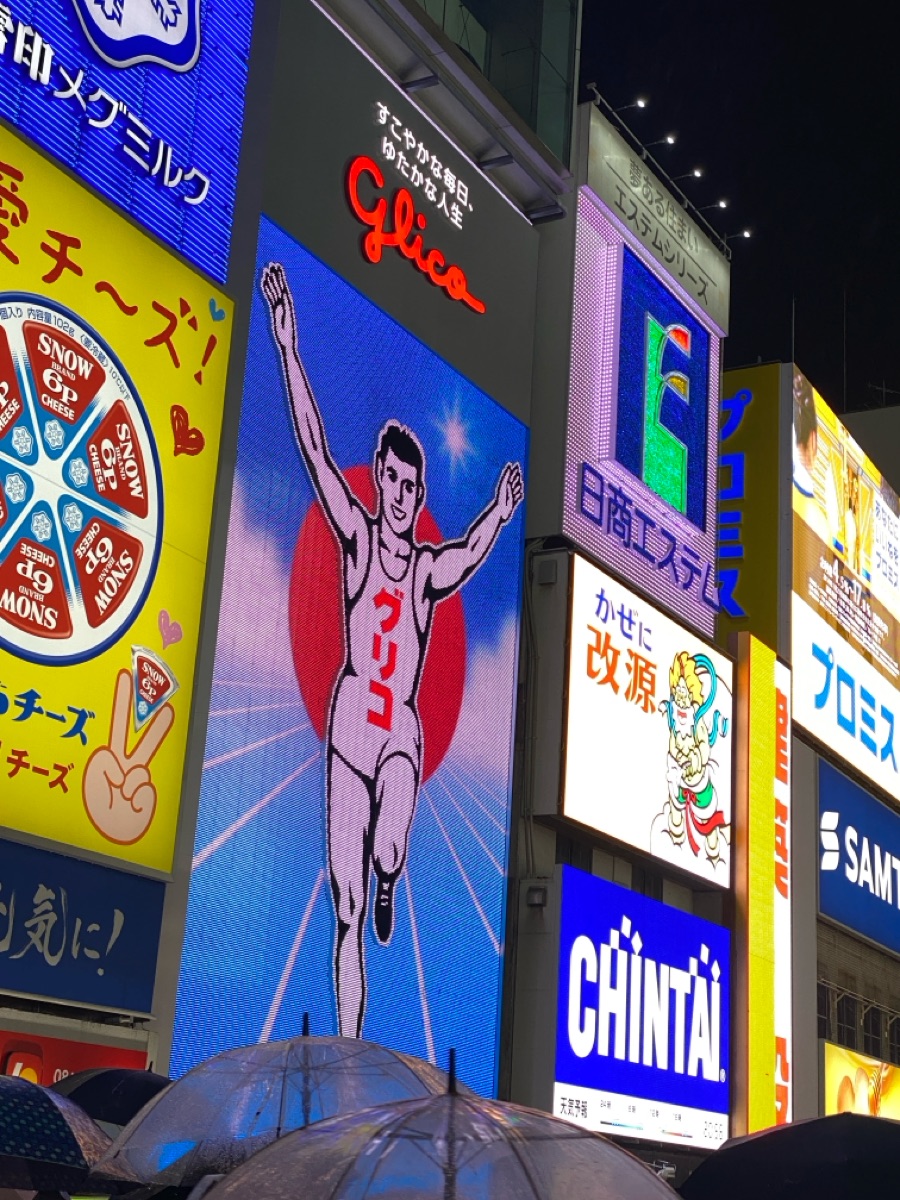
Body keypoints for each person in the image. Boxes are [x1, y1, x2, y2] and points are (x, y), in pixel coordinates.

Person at [261, 262, 523, 1037]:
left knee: (389, 842)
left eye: (413, 485)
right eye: (393, 481)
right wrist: (286, 344)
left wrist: (503, 513)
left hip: (399, 732)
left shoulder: (427, 567)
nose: (403, 495)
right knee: (344, 909)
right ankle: (348, 1044)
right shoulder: (356, 537)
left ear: (420, 491)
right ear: (379, 481)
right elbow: (310, 448)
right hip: (350, 727)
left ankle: (390, 871)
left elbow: (471, 554)